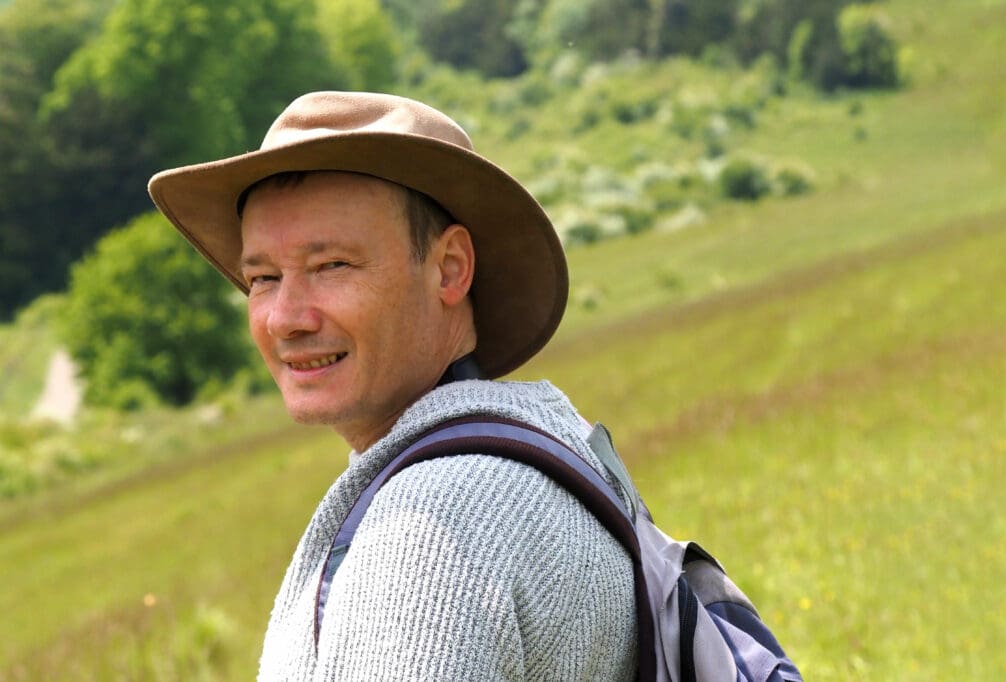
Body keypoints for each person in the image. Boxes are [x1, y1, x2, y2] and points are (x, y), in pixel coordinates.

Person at [149, 91, 639, 680]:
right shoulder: (552, 440)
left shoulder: (429, 529)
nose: (285, 318)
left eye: (332, 265)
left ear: (450, 268)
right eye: (263, 277)